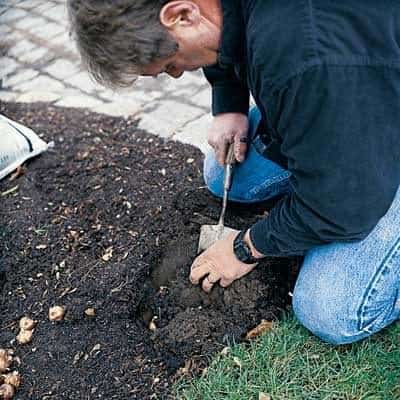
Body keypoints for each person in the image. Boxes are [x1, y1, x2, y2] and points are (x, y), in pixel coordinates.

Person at [67, 0, 400, 345]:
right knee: (222, 172)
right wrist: (229, 103)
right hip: (350, 94)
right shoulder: (234, 18)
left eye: (171, 64)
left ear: (181, 14)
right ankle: (319, 166)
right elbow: (227, 27)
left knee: (331, 310)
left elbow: (345, 203)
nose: (179, 73)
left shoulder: (302, 55)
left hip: (378, 137)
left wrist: (246, 247)